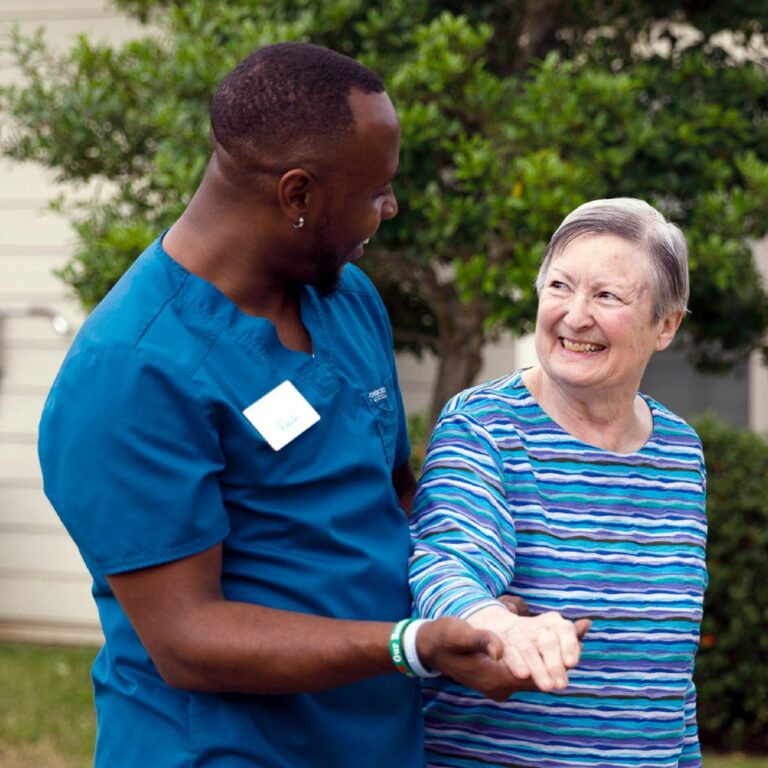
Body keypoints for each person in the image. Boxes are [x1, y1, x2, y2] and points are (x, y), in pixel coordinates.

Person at [38, 43, 587, 768]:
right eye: (376, 190)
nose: (389, 208)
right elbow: (186, 640)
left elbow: (392, 498)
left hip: (375, 740)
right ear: (297, 194)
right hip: (227, 750)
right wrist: (411, 644)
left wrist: (474, 602)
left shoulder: (346, 298)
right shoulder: (130, 371)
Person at [409, 198, 708, 768]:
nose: (575, 315)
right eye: (560, 287)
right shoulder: (484, 424)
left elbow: (672, 675)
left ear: (666, 324)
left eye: (606, 296)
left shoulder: (680, 450)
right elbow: (445, 561)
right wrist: (493, 622)